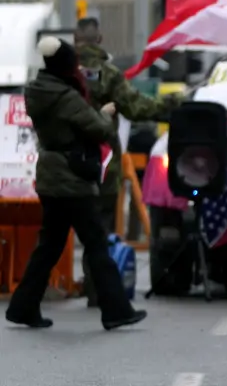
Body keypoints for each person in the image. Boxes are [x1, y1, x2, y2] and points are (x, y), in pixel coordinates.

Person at [4, 37, 147, 330]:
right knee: (95, 242)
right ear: (66, 66)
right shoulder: (66, 97)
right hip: (72, 179)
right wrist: (105, 115)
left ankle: (23, 307)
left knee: (49, 245)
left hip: (49, 175)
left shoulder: (36, 90)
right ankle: (116, 310)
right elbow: (98, 130)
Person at [75, 17, 180, 305]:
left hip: (65, 162)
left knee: (61, 231)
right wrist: (173, 104)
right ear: (99, 40)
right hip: (102, 162)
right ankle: (99, 292)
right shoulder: (108, 75)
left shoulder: (61, 73)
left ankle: (33, 295)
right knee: (102, 229)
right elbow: (137, 106)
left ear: (74, 40)